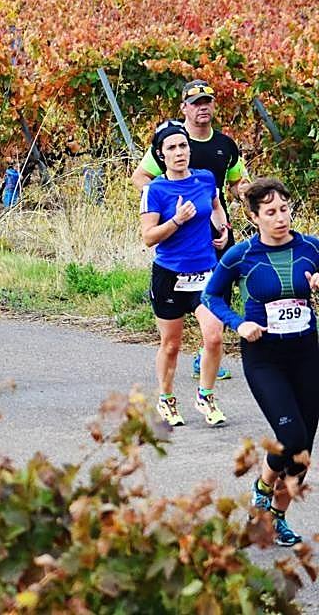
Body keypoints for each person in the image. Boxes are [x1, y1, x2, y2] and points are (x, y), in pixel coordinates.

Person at [204, 178, 319, 548]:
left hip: (306, 354)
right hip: (264, 357)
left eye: (284, 209)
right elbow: (211, 295)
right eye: (270, 212)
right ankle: (261, 490)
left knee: (302, 454)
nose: (280, 218)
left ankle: (277, 517)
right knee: (290, 437)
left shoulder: (312, 247)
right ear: (255, 217)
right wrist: (240, 323)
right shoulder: (240, 254)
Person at [132, 79, 251, 381]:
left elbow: (236, 183)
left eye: (207, 101)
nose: (203, 108)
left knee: (219, 290)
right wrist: (166, 202)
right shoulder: (172, 140)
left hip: (214, 226)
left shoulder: (225, 145)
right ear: (184, 108)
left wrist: (247, 198)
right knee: (177, 315)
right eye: (196, 103)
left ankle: (207, 352)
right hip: (181, 230)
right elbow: (141, 177)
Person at [138, 121, 228, 427]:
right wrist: (176, 220)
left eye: (183, 146)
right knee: (172, 345)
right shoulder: (155, 191)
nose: (180, 152)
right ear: (161, 155)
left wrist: (222, 229)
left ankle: (205, 396)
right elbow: (148, 237)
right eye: (172, 148)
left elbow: (216, 207)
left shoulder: (205, 179)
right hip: (170, 276)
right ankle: (166, 398)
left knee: (214, 336)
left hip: (205, 272)